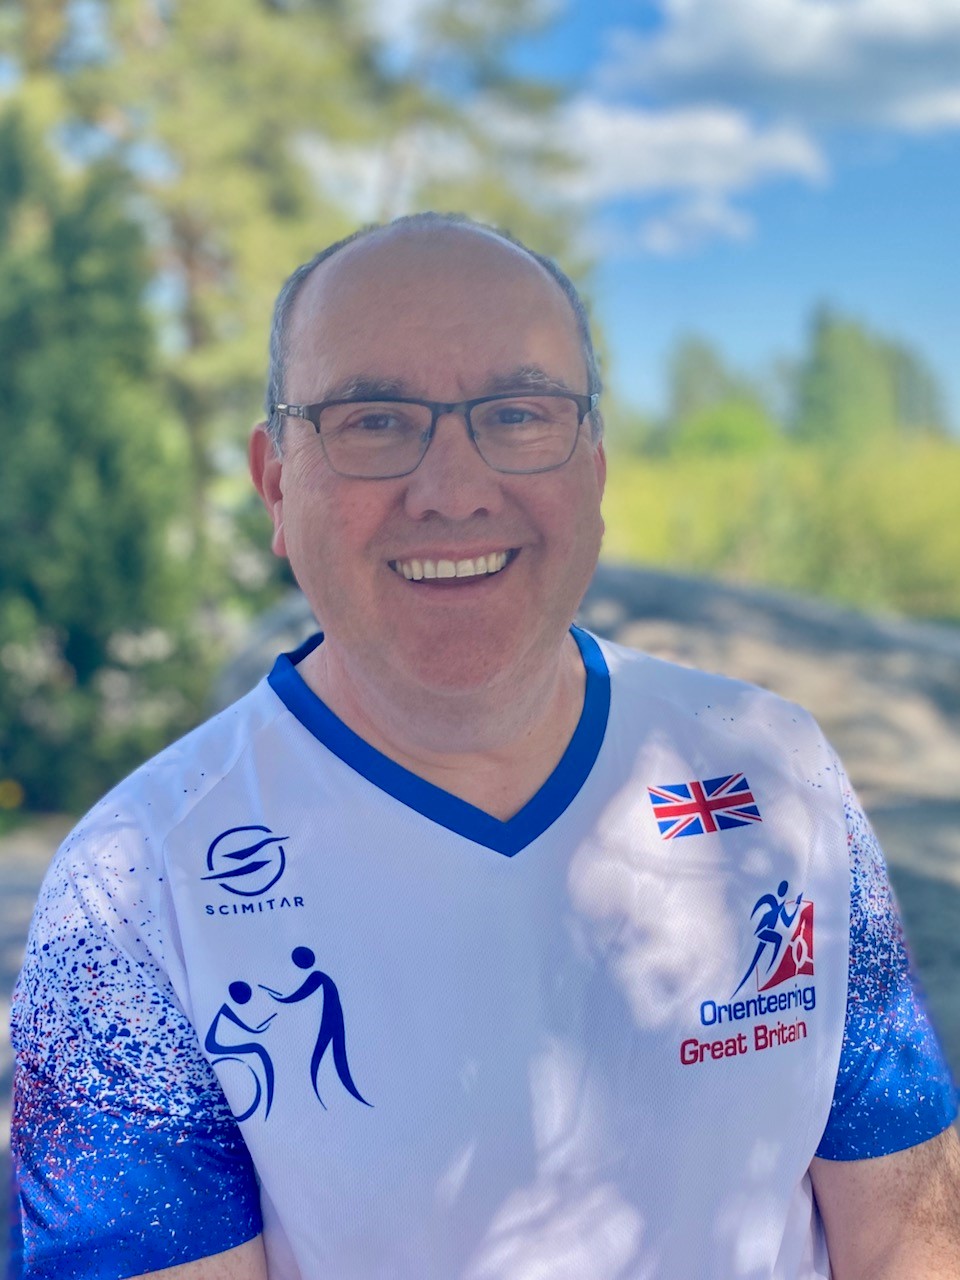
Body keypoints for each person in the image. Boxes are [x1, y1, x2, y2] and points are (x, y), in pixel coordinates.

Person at [10, 212, 960, 1280]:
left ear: (594, 469)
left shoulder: (779, 769)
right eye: (374, 420)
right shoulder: (132, 888)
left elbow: (910, 1235)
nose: (453, 490)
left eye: (517, 414)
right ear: (277, 483)